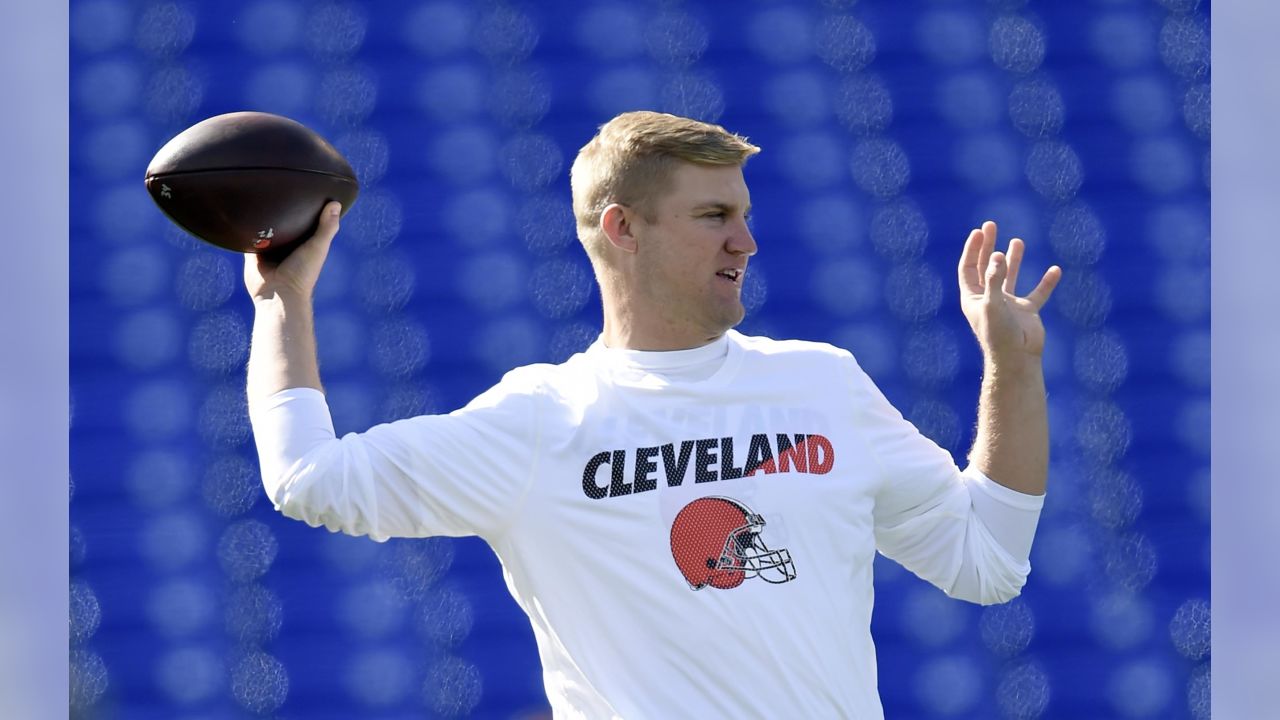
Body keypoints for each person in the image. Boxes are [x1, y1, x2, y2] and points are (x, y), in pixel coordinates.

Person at [246, 110, 1062, 719]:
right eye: (714, 217)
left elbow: (987, 561)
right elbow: (309, 478)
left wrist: (1013, 368)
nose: (745, 241)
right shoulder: (541, 420)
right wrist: (284, 300)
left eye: (743, 215)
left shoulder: (825, 384)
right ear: (622, 229)